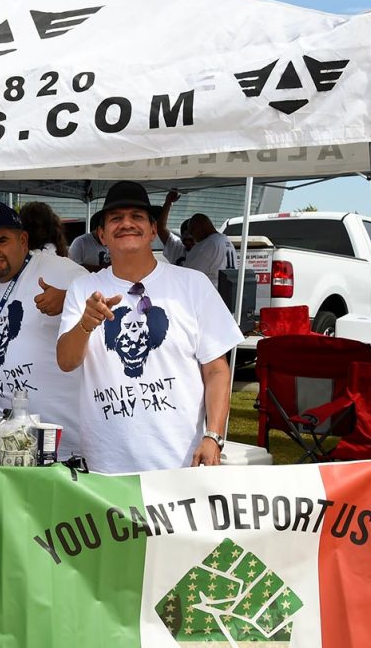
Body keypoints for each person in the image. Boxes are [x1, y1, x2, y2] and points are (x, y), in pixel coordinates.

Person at [57, 181, 243, 474]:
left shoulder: (193, 284)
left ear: (154, 229)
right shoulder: (82, 289)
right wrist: (85, 324)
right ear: (102, 234)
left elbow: (216, 370)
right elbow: (66, 362)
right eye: (116, 218)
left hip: (179, 463)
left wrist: (213, 436)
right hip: (107, 465)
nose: (126, 223)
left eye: (137, 216)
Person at [0, 202, 87, 459]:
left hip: (64, 444)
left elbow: (111, 310)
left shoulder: (64, 271)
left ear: (23, 240)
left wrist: (70, 299)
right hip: (4, 444)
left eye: (1, 241)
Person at [181, 212, 236, 282]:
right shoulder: (225, 240)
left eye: (192, 232)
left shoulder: (208, 244)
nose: (193, 236)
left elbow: (188, 272)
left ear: (199, 228)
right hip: (227, 286)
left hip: (212, 287)